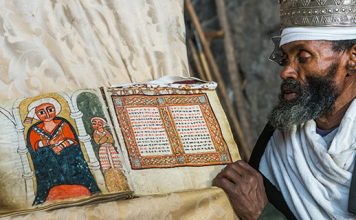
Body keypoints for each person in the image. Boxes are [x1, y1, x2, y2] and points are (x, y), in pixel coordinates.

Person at [213, 1, 356, 219]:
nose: (286, 72)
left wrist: (264, 214)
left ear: (352, 58)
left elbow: (259, 208)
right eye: (285, 59)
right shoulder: (280, 132)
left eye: (303, 57)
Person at [26, 98, 100, 205]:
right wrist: (48, 143)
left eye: (50, 110)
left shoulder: (63, 123)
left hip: (67, 158)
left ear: (55, 110)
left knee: (71, 161)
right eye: (42, 112)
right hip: (49, 161)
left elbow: (72, 140)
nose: (47, 114)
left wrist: (61, 146)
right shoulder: (34, 129)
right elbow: (34, 146)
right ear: (37, 115)